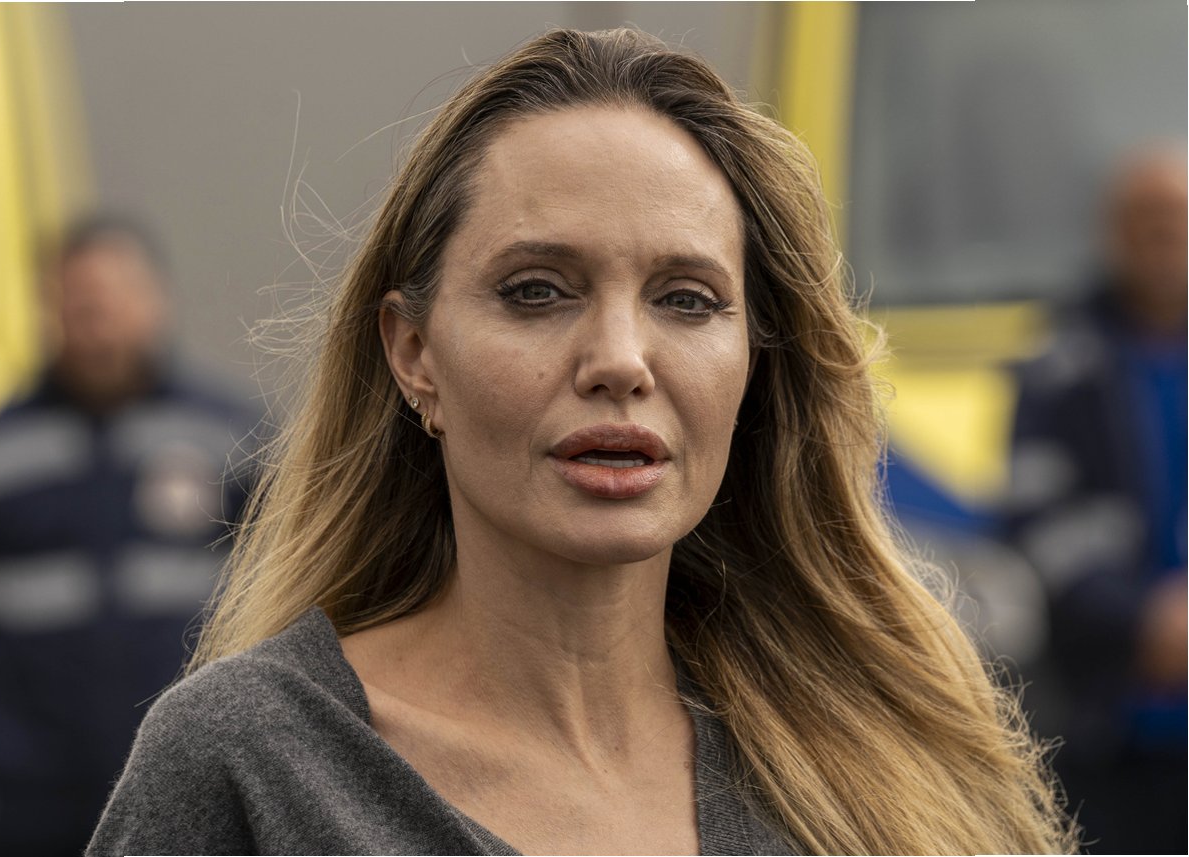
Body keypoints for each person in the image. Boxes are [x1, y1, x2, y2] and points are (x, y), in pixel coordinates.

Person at [89, 29, 1074, 855]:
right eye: (537, 291)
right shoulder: (249, 764)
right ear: (414, 354)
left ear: (754, 362)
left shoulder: (881, 768)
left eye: (686, 299)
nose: (620, 360)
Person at [0, 214, 258, 857]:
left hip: (197, 789)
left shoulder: (231, 437)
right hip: (36, 799)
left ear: (155, 301)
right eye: (78, 308)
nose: (96, 327)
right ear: (48, 312)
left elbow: (280, 589)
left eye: (111, 304)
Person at [1007, 147, 1187, 854]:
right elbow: (1035, 518)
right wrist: (1141, 623)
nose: (1165, 238)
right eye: (1147, 221)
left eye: (1177, 220)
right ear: (1114, 235)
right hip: (1107, 724)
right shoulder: (1063, 365)